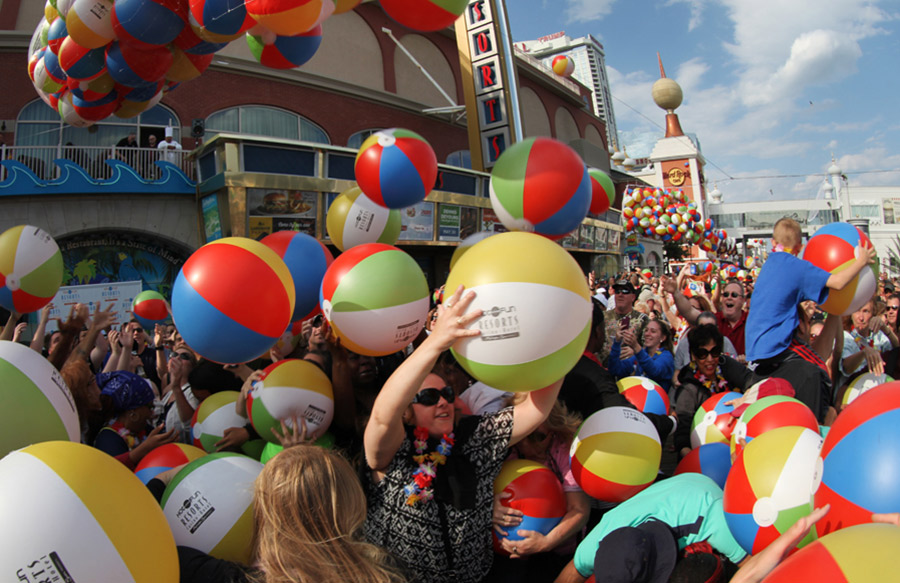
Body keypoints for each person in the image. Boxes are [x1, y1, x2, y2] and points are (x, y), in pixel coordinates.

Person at [363, 285, 562, 583]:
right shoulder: (395, 450)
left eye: (445, 393)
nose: (443, 401)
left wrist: (559, 341)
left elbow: (536, 410)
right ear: (407, 411)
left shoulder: (475, 435)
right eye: (429, 398)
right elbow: (382, 416)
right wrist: (435, 344)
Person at [152, 442, 406, 583]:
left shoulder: (230, 578)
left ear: (265, 510)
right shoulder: (388, 571)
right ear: (351, 498)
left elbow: (141, 538)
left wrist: (173, 475)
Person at [554, 474, 748, 583]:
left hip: (697, 489)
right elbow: (569, 576)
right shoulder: (595, 544)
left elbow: (755, 568)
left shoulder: (715, 520)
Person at [744, 217, 875, 374]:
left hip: (754, 346)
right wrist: (861, 261)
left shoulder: (768, 265)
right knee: (818, 368)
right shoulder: (798, 267)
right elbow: (838, 283)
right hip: (776, 345)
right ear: (800, 247)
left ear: (773, 242)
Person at [489, 401, 590, 583]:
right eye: (522, 435)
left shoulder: (564, 452)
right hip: (510, 550)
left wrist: (546, 543)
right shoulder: (504, 450)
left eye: (537, 436)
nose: (527, 446)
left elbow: (580, 510)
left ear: (554, 430)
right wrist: (490, 505)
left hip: (559, 548)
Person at [673, 325, 757, 458]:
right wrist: (692, 459)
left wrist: (745, 397)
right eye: (702, 354)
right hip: (707, 454)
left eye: (715, 351)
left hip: (741, 442)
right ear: (693, 355)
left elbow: (753, 382)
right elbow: (682, 432)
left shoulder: (726, 365)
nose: (710, 359)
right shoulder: (688, 389)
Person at [92, 370, 177, 468]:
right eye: (149, 407)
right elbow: (113, 472)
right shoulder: (108, 440)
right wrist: (144, 450)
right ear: (133, 413)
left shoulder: (145, 430)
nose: (152, 413)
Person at [664, 271, 748, 358]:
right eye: (725, 295)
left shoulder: (751, 321)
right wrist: (676, 292)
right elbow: (689, 311)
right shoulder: (714, 319)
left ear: (743, 300)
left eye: (734, 295)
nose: (729, 298)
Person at [607, 319, 675, 393]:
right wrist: (617, 343)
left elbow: (655, 372)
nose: (647, 334)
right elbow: (615, 370)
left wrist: (636, 347)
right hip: (637, 399)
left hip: (656, 401)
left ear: (663, 338)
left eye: (653, 331)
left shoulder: (666, 356)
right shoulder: (639, 355)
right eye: (646, 330)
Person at [672, 311, 737, 384]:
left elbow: (734, 367)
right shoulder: (685, 343)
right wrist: (678, 383)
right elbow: (677, 370)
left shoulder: (725, 341)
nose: (706, 332)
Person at [840, 298, 898, 378]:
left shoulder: (878, 336)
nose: (861, 318)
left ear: (873, 314)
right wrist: (864, 352)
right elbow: (846, 367)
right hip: (852, 387)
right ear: (851, 314)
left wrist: (885, 328)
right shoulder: (846, 336)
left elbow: (897, 349)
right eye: (857, 311)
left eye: (866, 311)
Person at [601, 279, 649, 364]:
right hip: (604, 368)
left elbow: (650, 346)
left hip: (629, 370)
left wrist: (636, 350)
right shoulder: (603, 317)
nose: (620, 294)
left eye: (625, 291)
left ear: (633, 297)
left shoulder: (642, 319)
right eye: (617, 291)